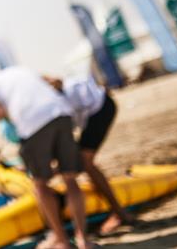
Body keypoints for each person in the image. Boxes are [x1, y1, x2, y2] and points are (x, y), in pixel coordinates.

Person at [0, 66, 93, 249]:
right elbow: (51, 82)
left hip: (32, 122)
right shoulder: (15, 71)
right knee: (70, 179)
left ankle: (61, 239)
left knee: (40, 185)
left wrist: (10, 126)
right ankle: (83, 239)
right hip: (61, 112)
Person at [42, 74, 135, 234]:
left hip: (100, 110)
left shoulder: (57, 98)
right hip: (96, 108)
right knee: (78, 163)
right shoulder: (53, 98)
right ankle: (118, 212)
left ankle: (119, 213)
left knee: (85, 163)